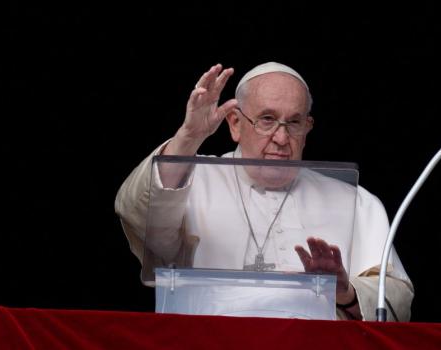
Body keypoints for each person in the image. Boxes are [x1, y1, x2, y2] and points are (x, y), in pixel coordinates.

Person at [115, 62, 414, 321]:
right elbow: (138, 216)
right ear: (235, 123)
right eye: (267, 120)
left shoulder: (355, 202)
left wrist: (345, 293)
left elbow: (396, 299)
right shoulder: (190, 178)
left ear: (307, 128)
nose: (281, 138)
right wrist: (189, 137)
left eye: (294, 122)